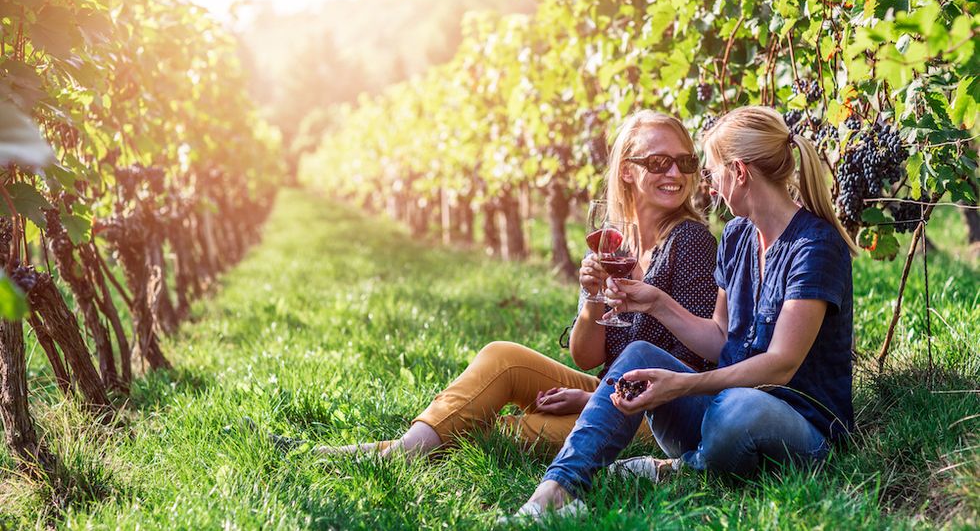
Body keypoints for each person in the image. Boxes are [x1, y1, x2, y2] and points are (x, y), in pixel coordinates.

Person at [263, 111, 719, 459]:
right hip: (612, 391)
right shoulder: (620, 241)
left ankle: (387, 455)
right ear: (627, 171)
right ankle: (404, 447)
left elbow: (693, 365)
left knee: (514, 431)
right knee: (502, 356)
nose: (675, 174)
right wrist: (591, 302)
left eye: (684, 162)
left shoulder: (691, 241)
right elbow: (588, 355)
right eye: (659, 162)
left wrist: (590, 398)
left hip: (660, 415)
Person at [507, 105, 857, 521]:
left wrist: (682, 385)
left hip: (804, 432)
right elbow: (721, 336)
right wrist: (655, 301)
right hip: (725, 410)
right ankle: (554, 493)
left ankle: (676, 471)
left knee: (736, 412)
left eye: (710, 172)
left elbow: (781, 365)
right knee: (638, 356)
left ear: (739, 173)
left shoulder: (815, 246)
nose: (707, 186)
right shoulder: (737, 236)